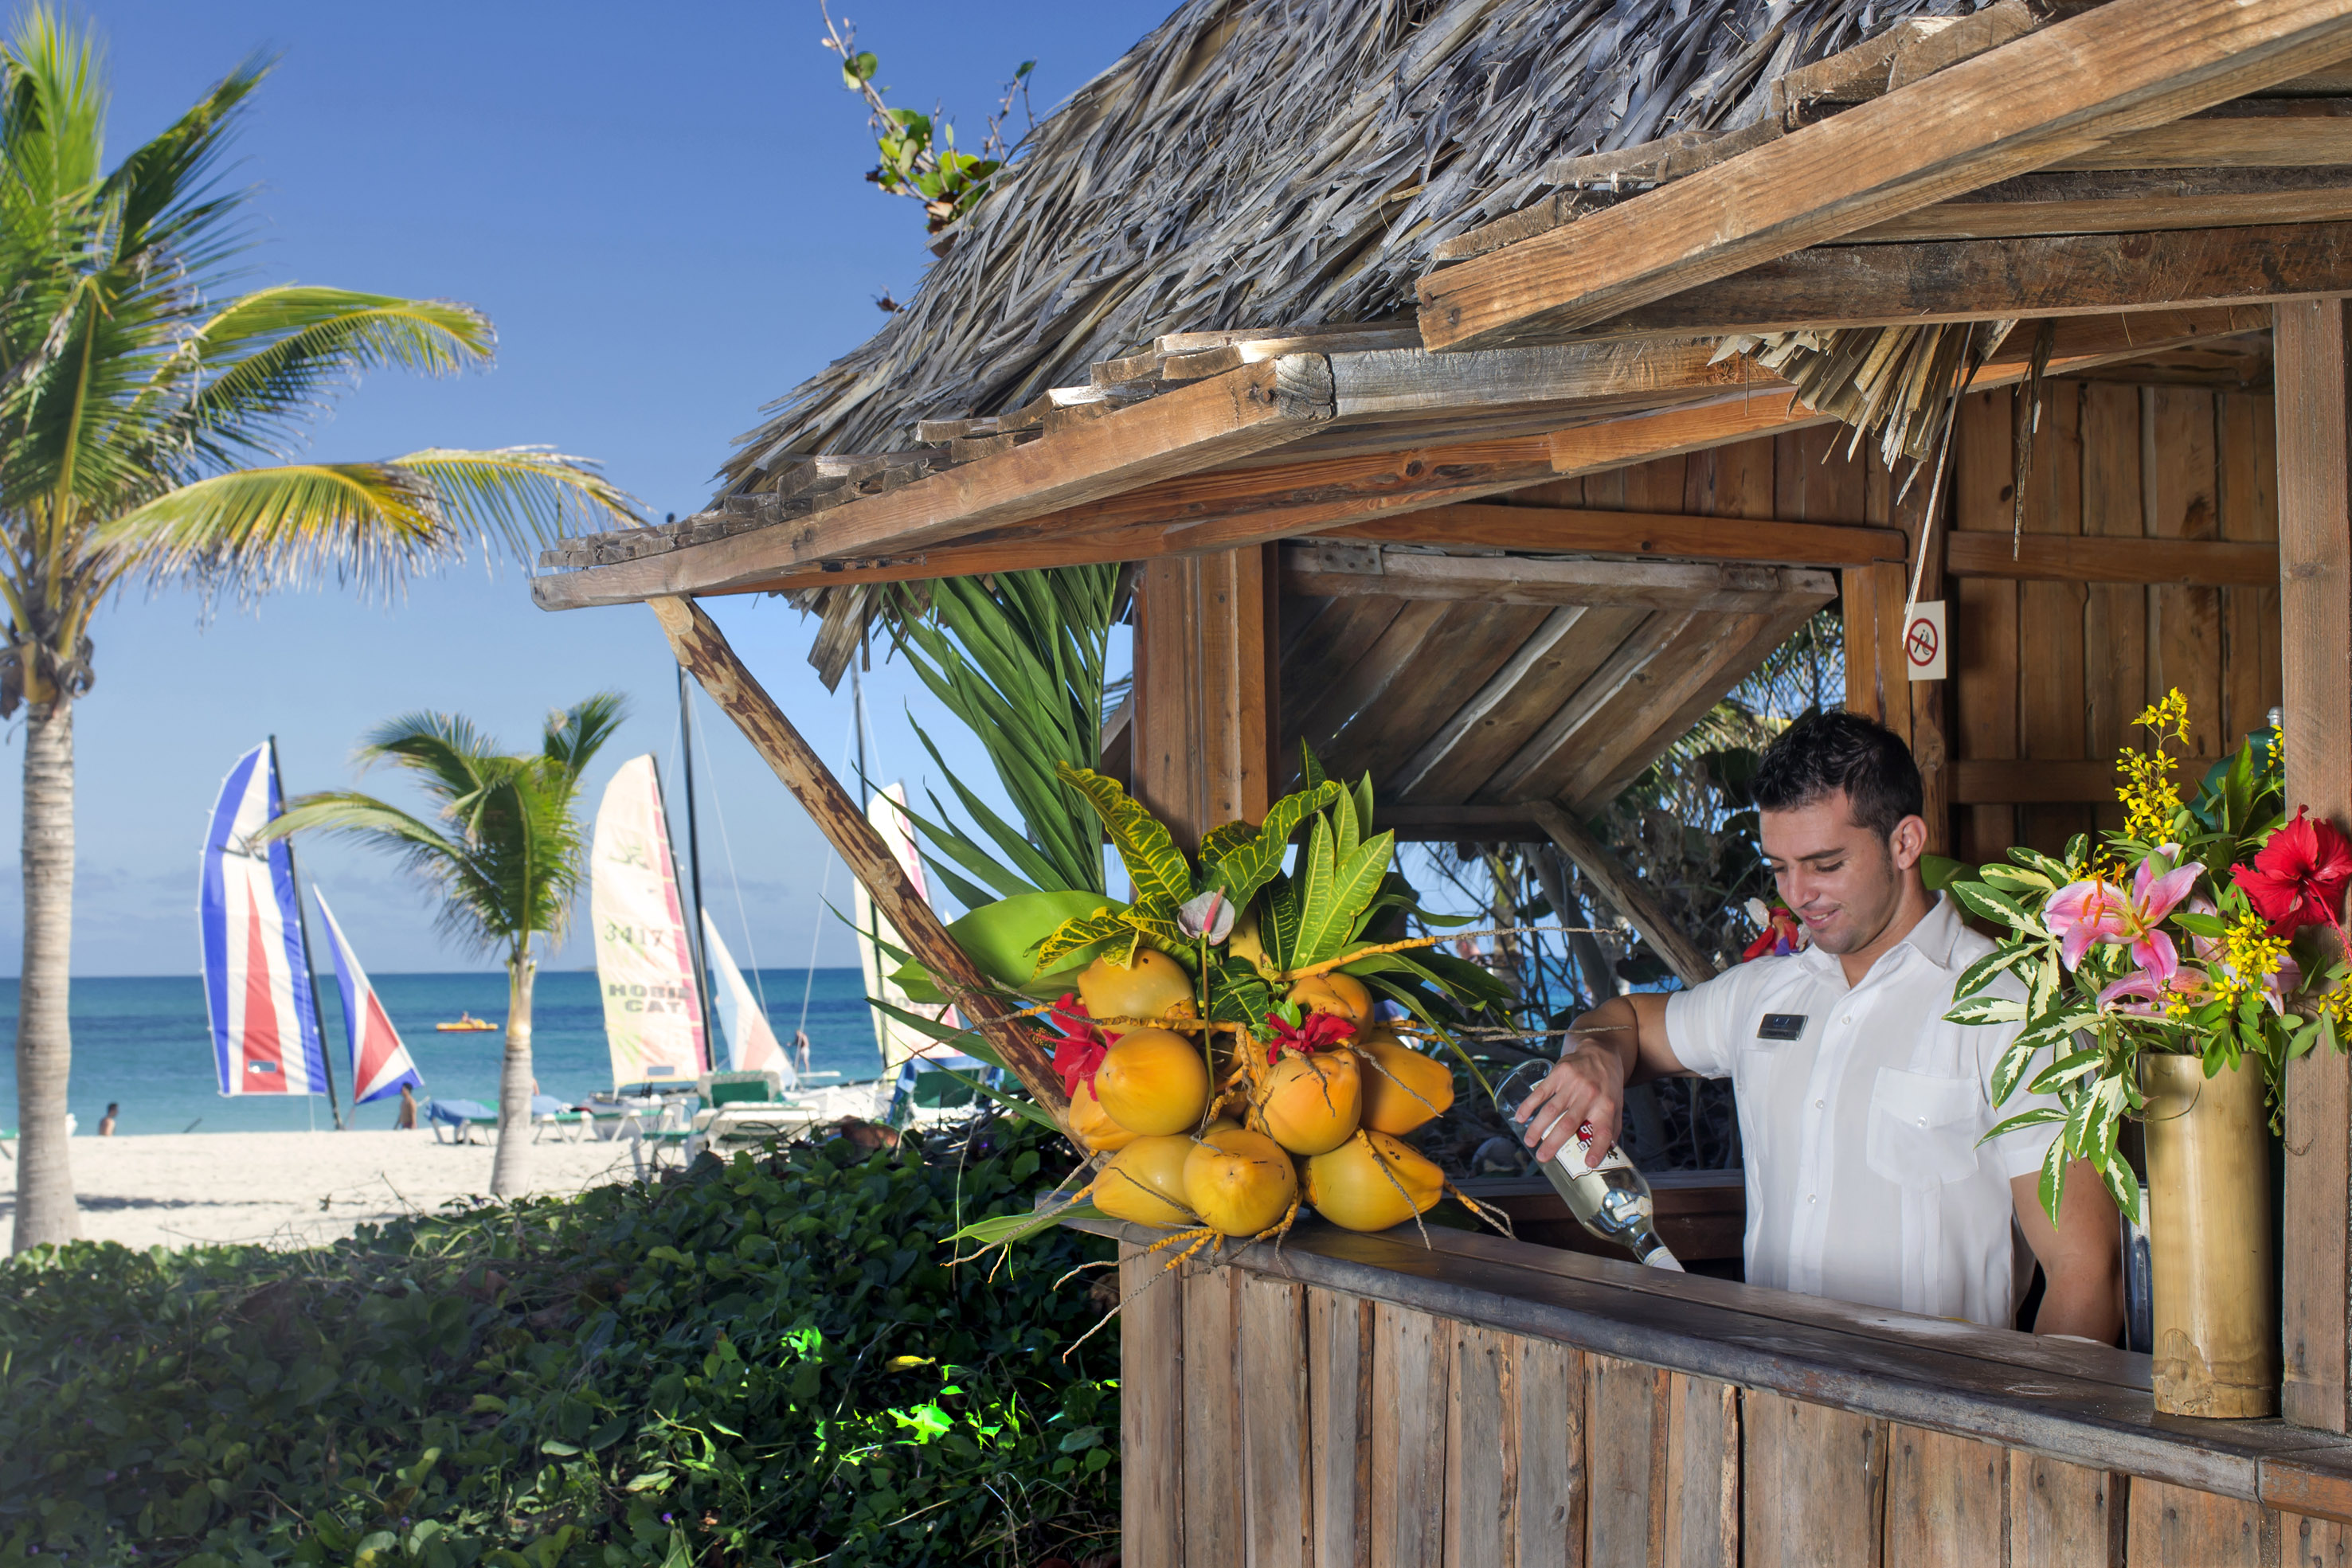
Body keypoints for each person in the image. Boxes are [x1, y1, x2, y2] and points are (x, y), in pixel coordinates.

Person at [1515, 710, 2123, 1339]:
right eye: (1779, 867)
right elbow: (1628, 1021)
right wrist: (1592, 1054)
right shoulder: (1763, 995)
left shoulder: (2013, 1008)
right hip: (1768, 1401)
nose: (1797, 893)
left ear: (1905, 842)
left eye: (1824, 863)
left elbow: (2086, 1270)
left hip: (1938, 1418)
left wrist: (2020, 1437)